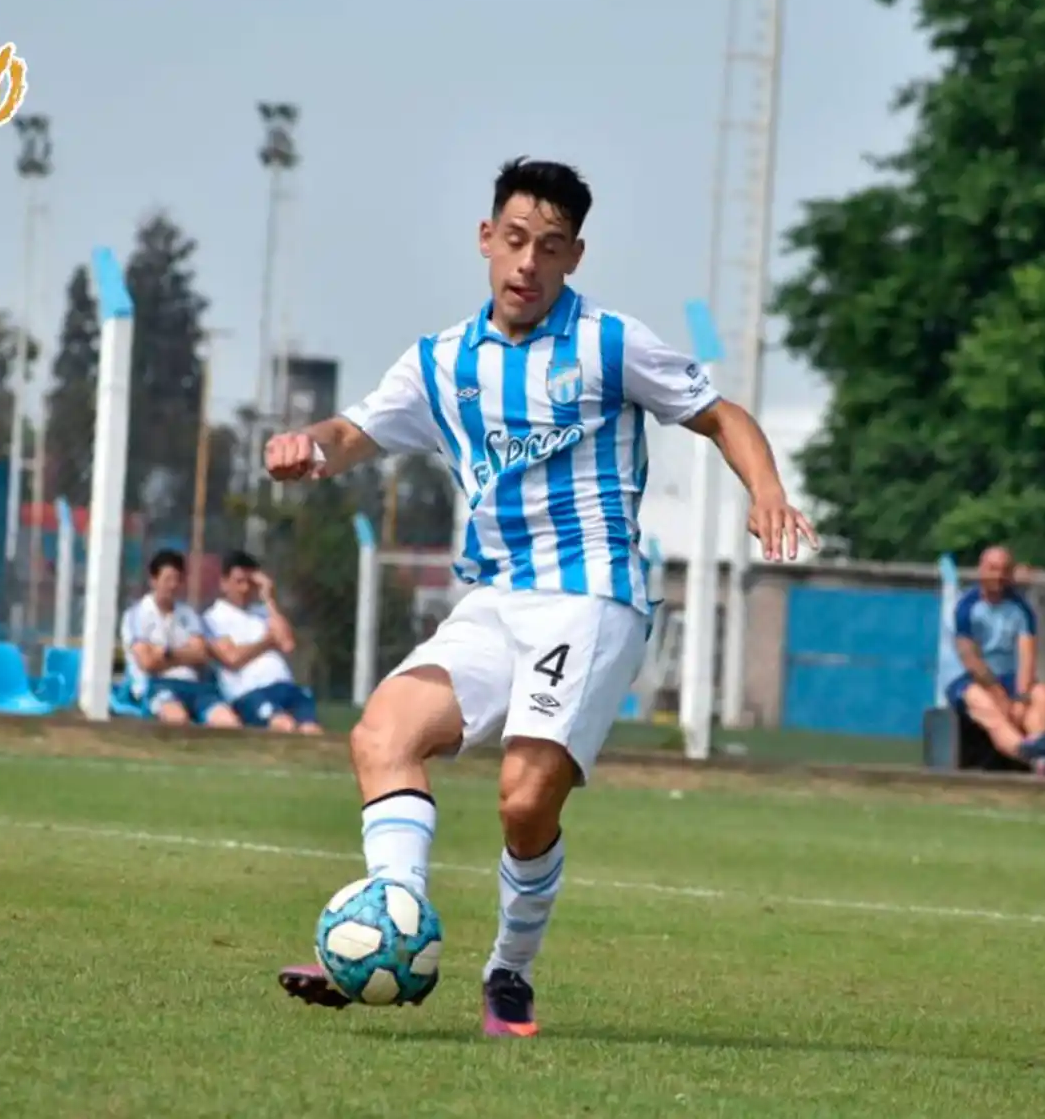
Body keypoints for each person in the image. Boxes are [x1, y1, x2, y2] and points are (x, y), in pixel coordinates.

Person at [264, 157, 818, 1037]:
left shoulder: (609, 344)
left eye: (550, 248)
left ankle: (508, 972)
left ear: (574, 258)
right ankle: (391, 929)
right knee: (383, 733)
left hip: (595, 594)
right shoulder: (441, 362)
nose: (528, 262)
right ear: (487, 240)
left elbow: (722, 415)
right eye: (515, 240)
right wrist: (308, 446)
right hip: (496, 600)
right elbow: (353, 432)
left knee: (525, 801)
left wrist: (768, 492)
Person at [939, 545, 1045, 773]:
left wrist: (1020, 697)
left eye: (1003, 570)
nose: (998, 576)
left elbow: (1027, 655)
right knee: (985, 703)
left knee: (1044, 694)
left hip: (1008, 677)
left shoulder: (1021, 608)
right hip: (967, 679)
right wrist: (999, 695)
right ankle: (1028, 754)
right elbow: (971, 660)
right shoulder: (966, 607)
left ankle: (1039, 749)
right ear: (981, 570)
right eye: (992, 569)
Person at [202, 550, 324, 735]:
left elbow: (287, 643)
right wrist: (267, 641)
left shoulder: (263, 612)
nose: (244, 589)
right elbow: (232, 658)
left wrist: (268, 597)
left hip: (284, 685)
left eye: (250, 583)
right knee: (284, 726)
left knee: (312, 730)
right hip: (250, 692)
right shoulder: (213, 617)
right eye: (239, 582)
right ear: (224, 583)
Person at [119, 548, 239, 728]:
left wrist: (166, 654)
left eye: (177, 579)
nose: (173, 585)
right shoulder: (137, 615)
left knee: (229, 723)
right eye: (167, 579)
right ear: (153, 580)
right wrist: (185, 655)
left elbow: (201, 655)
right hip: (157, 686)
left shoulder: (188, 614)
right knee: (178, 721)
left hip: (195, 685)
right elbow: (147, 663)